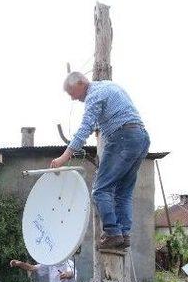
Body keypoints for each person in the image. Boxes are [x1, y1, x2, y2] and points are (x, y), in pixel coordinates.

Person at [50, 72, 150, 250]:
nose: (73, 98)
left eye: (71, 93)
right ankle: (123, 235)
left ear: (81, 83)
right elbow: (111, 114)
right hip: (140, 138)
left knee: (100, 190)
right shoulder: (109, 86)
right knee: (123, 192)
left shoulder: (93, 95)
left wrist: (64, 157)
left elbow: (85, 128)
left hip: (122, 138)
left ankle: (112, 233)